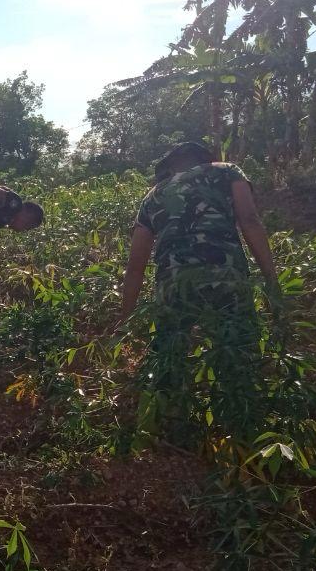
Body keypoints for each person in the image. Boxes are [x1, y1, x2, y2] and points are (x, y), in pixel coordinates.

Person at [117, 142, 279, 442]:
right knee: (237, 350)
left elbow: (135, 266)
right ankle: (245, 429)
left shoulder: (152, 196)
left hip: (174, 285)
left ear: (169, 167)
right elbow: (250, 220)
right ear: (208, 159)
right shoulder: (227, 172)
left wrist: (125, 318)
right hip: (226, 276)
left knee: (169, 355)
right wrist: (271, 278)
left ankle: (162, 432)